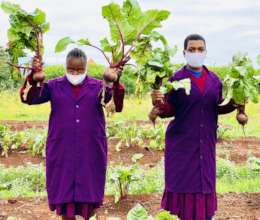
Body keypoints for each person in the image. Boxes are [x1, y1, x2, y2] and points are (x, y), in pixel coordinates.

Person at [20, 48, 125, 220]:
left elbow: (116, 105)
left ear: (86, 68)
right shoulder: (54, 86)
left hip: (90, 148)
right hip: (63, 148)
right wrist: (34, 78)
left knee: (88, 198)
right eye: (71, 69)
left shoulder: (98, 86)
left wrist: (112, 82)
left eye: (79, 70)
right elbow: (30, 99)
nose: (75, 73)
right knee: (64, 196)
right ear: (65, 67)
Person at [150, 34, 241, 220]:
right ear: (185, 52)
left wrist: (235, 104)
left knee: (204, 186)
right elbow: (169, 110)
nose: (196, 53)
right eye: (192, 49)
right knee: (180, 189)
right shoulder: (176, 79)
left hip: (205, 144)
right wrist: (159, 104)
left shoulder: (215, 81)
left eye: (200, 49)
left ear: (205, 52)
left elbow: (216, 108)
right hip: (181, 145)